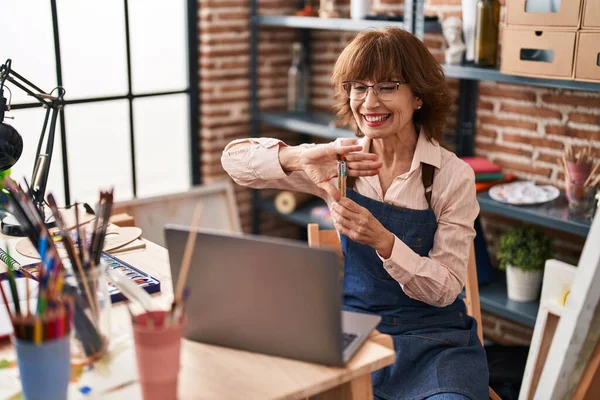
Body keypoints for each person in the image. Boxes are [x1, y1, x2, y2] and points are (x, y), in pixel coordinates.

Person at [221, 27, 489, 400]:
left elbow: (445, 290)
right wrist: (299, 156)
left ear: (418, 97)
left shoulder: (451, 176)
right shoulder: (338, 162)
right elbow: (233, 161)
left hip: (434, 343)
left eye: (388, 86)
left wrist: (384, 241)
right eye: (358, 87)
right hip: (355, 332)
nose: (369, 102)